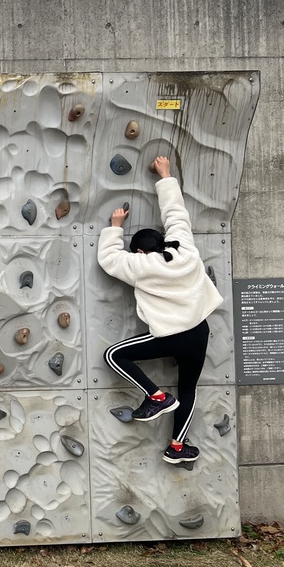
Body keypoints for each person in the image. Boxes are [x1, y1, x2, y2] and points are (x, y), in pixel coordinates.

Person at [98, 155, 223, 464]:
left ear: (139, 251)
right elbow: (175, 213)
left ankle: (155, 396)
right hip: (199, 332)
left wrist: (114, 227)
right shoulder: (186, 249)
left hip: (172, 336)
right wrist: (164, 174)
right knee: (189, 389)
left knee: (114, 355)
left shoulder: (141, 265)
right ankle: (177, 447)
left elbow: (109, 260)